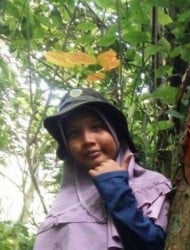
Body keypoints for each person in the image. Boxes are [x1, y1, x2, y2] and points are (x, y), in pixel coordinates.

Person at [33, 88, 172, 250]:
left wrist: (116, 188)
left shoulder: (153, 186)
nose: (87, 140)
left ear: (114, 132)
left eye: (96, 127)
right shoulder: (62, 207)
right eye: (73, 133)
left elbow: (152, 245)